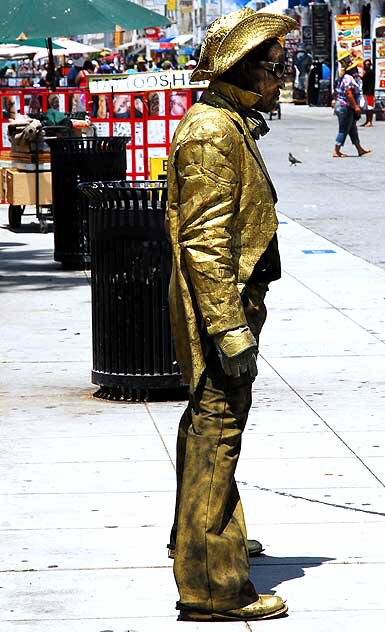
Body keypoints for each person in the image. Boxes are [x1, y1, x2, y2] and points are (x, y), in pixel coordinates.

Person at [166, 8, 297, 622]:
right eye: (274, 68)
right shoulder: (213, 133)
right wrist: (227, 327)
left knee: (211, 432)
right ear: (243, 71)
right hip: (223, 311)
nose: (282, 79)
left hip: (238, 304)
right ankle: (212, 587)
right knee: (217, 434)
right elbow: (204, 241)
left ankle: (205, 543)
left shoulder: (229, 124)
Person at [333, 54, 371, 157]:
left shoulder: (350, 78)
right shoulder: (348, 78)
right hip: (345, 106)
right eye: (354, 68)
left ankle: (359, 149)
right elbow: (348, 94)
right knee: (344, 128)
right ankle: (336, 151)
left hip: (347, 106)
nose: (356, 69)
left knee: (352, 128)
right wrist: (356, 107)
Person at [361, 59, 375, 127]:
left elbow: (365, 79)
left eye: (368, 64)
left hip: (370, 92)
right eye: (365, 64)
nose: (366, 66)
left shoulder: (370, 72)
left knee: (370, 107)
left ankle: (370, 121)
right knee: (366, 108)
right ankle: (367, 121)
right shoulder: (365, 72)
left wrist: (361, 76)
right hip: (365, 91)